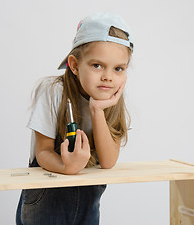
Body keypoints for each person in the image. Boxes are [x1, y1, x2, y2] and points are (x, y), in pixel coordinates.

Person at [16, 12, 134, 225]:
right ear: (75, 65)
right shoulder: (53, 91)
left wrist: (98, 110)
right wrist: (66, 168)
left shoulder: (111, 100)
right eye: (97, 65)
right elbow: (42, 151)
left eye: (118, 69)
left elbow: (107, 162)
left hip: (88, 200)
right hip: (46, 198)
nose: (108, 76)